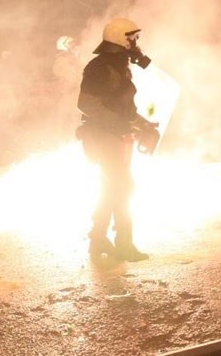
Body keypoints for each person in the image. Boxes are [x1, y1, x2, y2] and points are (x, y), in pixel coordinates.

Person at [76, 18, 157, 262]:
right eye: (132, 38)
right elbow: (87, 104)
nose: (136, 42)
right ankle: (123, 245)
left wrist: (143, 124)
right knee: (123, 186)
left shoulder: (118, 66)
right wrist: (120, 124)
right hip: (102, 136)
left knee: (112, 187)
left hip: (112, 135)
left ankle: (98, 239)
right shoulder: (100, 67)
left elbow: (123, 107)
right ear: (121, 39)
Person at [53, 35, 82, 141]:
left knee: (75, 121)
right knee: (64, 123)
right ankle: (61, 142)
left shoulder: (73, 59)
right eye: (71, 45)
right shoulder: (61, 61)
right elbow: (70, 77)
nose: (74, 46)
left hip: (75, 95)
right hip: (68, 95)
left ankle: (71, 140)